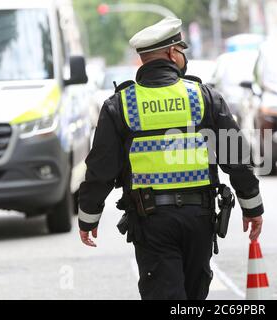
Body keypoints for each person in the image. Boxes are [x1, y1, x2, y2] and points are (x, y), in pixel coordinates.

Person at [78, 17, 264, 300]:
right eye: (181, 50)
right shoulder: (203, 97)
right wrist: (252, 206)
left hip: (151, 221)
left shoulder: (120, 105)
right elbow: (236, 155)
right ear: (171, 53)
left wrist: (88, 217)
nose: (183, 56)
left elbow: (100, 169)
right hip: (199, 219)